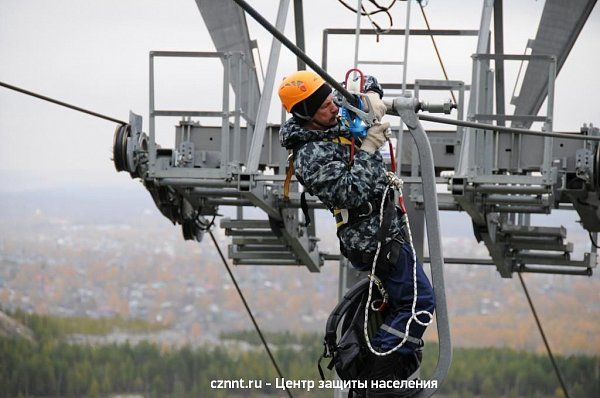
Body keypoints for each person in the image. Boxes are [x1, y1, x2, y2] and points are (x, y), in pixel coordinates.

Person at [278, 70, 436, 397]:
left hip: (383, 229)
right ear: (305, 115)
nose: (333, 108)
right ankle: (378, 380)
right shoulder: (309, 155)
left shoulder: (326, 121)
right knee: (419, 301)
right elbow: (349, 193)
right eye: (324, 106)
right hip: (371, 237)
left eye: (331, 100)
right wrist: (369, 148)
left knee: (400, 304)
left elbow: (358, 98)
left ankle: (380, 371)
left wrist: (369, 95)